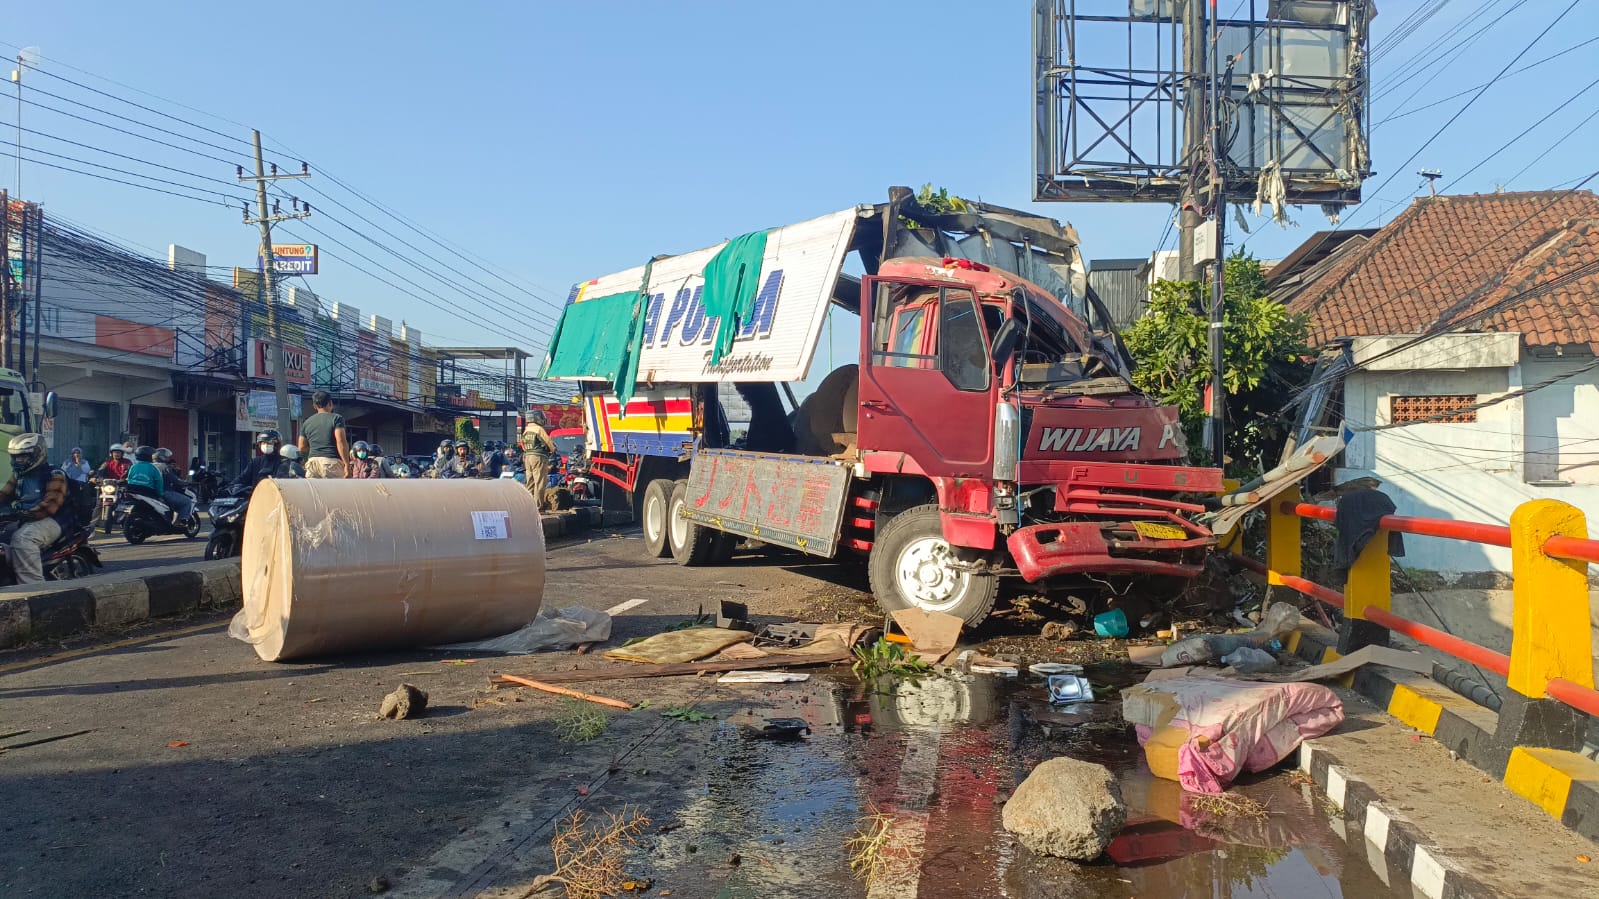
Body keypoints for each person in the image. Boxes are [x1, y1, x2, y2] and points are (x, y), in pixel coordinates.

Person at [0, 434, 71, 584]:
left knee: (23, 539)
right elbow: (4, 494)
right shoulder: (19, 475)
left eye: (23, 456)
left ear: (38, 453)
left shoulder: (54, 475)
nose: (19, 460)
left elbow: (49, 506)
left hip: (53, 520)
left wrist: (19, 514)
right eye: (16, 456)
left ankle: (34, 587)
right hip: (25, 518)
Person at [297, 390, 351, 478]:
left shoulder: (307, 422)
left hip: (312, 464)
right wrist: (347, 464)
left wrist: (316, 448)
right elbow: (341, 441)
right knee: (335, 487)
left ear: (314, 405)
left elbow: (301, 447)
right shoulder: (336, 418)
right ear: (330, 403)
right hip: (331, 464)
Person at [520, 410, 557, 510]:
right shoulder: (539, 429)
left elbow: (522, 445)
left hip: (527, 457)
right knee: (540, 482)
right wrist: (553, 449)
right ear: (537, 418)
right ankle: (538, 507)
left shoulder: (526, 430)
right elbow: (549, 442)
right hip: (538, 457)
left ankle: (528, 506)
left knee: (530, 482)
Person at [152, 448, 197, 524]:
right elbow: (175, 480)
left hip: (152, 492)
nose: (168, 458)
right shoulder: (164, 467)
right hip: (165, 492)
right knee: (187, 501)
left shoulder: (151, 466)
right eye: (166, 457)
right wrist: (187, 483)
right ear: (162, 457)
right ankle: (180, 522)